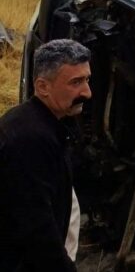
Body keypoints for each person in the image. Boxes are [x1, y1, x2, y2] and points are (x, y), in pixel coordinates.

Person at [0, 39, 92, 272]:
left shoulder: (41, 123)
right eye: (76, 82)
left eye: (87, 79)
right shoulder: (29, 139)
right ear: (43, 87)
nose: (87, 92)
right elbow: (36, 229)